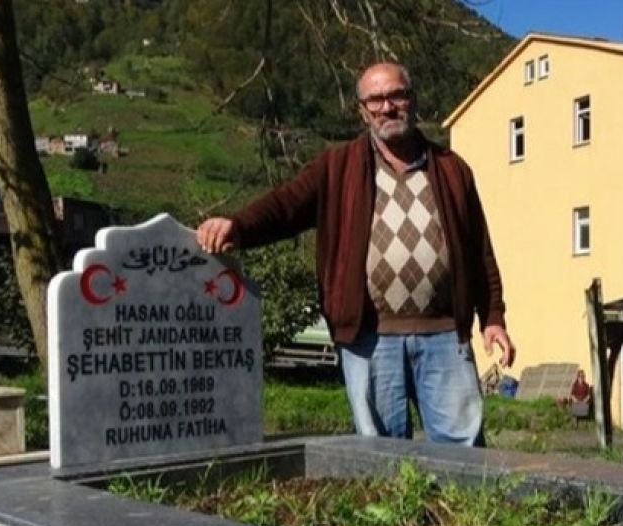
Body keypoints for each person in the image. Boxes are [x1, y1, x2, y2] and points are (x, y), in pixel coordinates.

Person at [196, 63, 514, 446]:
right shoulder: (337, 167)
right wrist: (238, 225)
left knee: (462, 453)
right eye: (375, 99)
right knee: (381, 456)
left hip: (445, 335)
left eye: (396, 95)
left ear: (412, 101)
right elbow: (285, 205)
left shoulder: (451, 169)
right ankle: (401, 510)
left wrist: (492, 316)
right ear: (362, 110)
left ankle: (462, 510)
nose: (387, 107)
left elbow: (480, 250)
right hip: (370, 338)